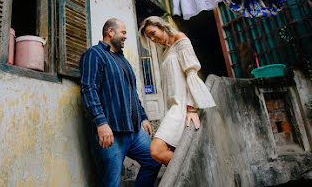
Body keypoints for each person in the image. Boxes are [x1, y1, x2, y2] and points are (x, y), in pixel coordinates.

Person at [80, 18, 161, 187]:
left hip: (134, 131)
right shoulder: (94, 54)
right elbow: (89, 89)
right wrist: (101, 122)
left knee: (154, 160)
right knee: (111, 183)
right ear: (110, 32)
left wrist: (143, 117)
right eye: (123, 32)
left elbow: (131, 92)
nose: (125, 36)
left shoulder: (122, 60)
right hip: (111, 134)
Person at [138, 16, 216, 166]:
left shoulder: (179, 38)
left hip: (182, 107)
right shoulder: (164, 52)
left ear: (161, 27)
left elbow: (191, 73)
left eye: (153, 33)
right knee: (174, 151)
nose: (152, 39)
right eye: (149, 37)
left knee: (156, 150)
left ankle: (198, 170)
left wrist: (191, 108)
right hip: (171, 108)